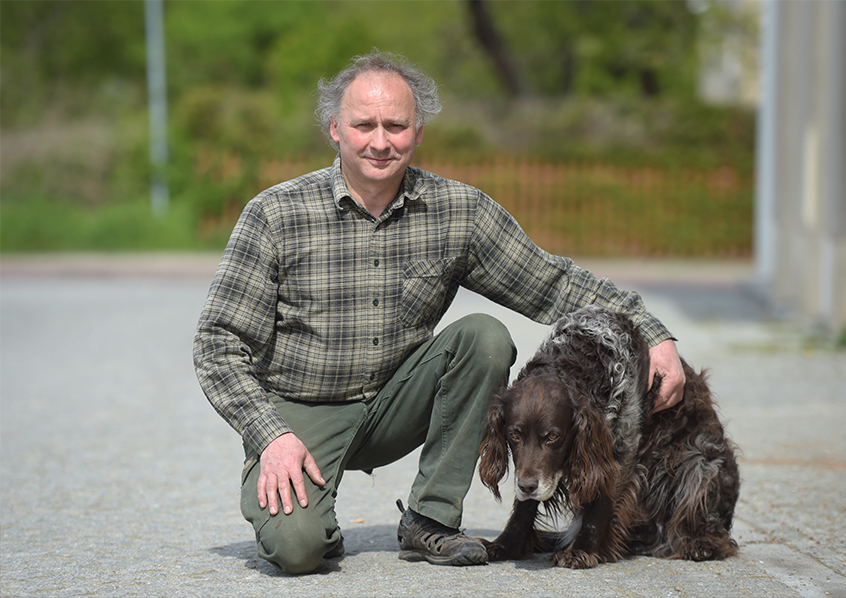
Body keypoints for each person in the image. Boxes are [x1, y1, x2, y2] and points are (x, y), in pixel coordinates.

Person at [193, 50, 685, 575]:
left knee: (485, 337)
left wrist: (653, 333)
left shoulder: (459, 210)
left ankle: (429, 520)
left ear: (418, 131)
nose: (380, 141)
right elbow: (217, 344)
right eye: (364, 124)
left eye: (396, 125)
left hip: (399, 401)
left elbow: (554, 282)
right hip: (300, 412)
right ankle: (318, 517)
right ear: (335, 129)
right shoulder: (274, 214)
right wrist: (271, 436)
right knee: (298, 550)